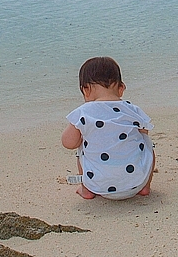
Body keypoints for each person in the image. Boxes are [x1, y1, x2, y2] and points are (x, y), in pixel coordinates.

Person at [61, 56, 154, 199]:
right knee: (147, 144)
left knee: (81, 148)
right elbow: (144, 133)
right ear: (121, 88)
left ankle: (87, 189)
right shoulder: (132, 110)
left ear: (85, 90)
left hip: (99, 185)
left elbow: (68, 143)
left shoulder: (83, 113)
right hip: (135, 183)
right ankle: (145, 186)